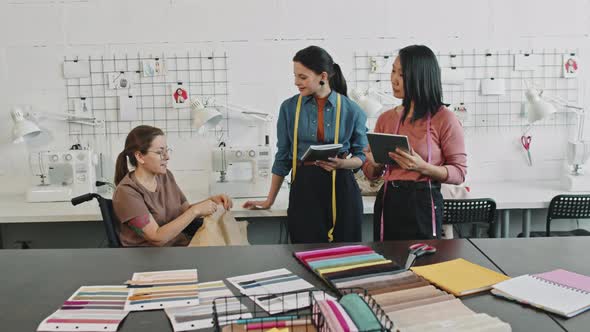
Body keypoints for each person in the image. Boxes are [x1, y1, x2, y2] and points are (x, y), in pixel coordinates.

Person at [243, 46, 368, 243]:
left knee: (345, 256)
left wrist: (344, 164)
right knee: (305, 254)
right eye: (295, 76)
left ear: (323, 76)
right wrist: (269, 200)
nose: (296, 82)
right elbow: (283, 156)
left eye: (302, 77)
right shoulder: (289, 108)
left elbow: (361, 156)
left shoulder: (352, 110)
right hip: (304, 188)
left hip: (342, 188)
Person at [362, 45, 467, 241]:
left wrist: (423, 167)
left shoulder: (444, 118)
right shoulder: (385, 118)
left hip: (423, 203)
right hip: (388, 202)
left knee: (424, 264)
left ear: (420, 76)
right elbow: (370, 174)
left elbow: (459, 173)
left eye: (401, 74)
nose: (394, 79)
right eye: (393, 71)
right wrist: (374, 163)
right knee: (388, 263)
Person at [113, 125, 232, 247]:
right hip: (149, 258)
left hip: (176, 248)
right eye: (160, 152)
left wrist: (212, 201)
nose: (167, 157)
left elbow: (184, 211)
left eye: (166, 151)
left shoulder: (165, 177)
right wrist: (196, 210)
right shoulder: (126, 192)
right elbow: (156, 237)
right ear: (139, 156)